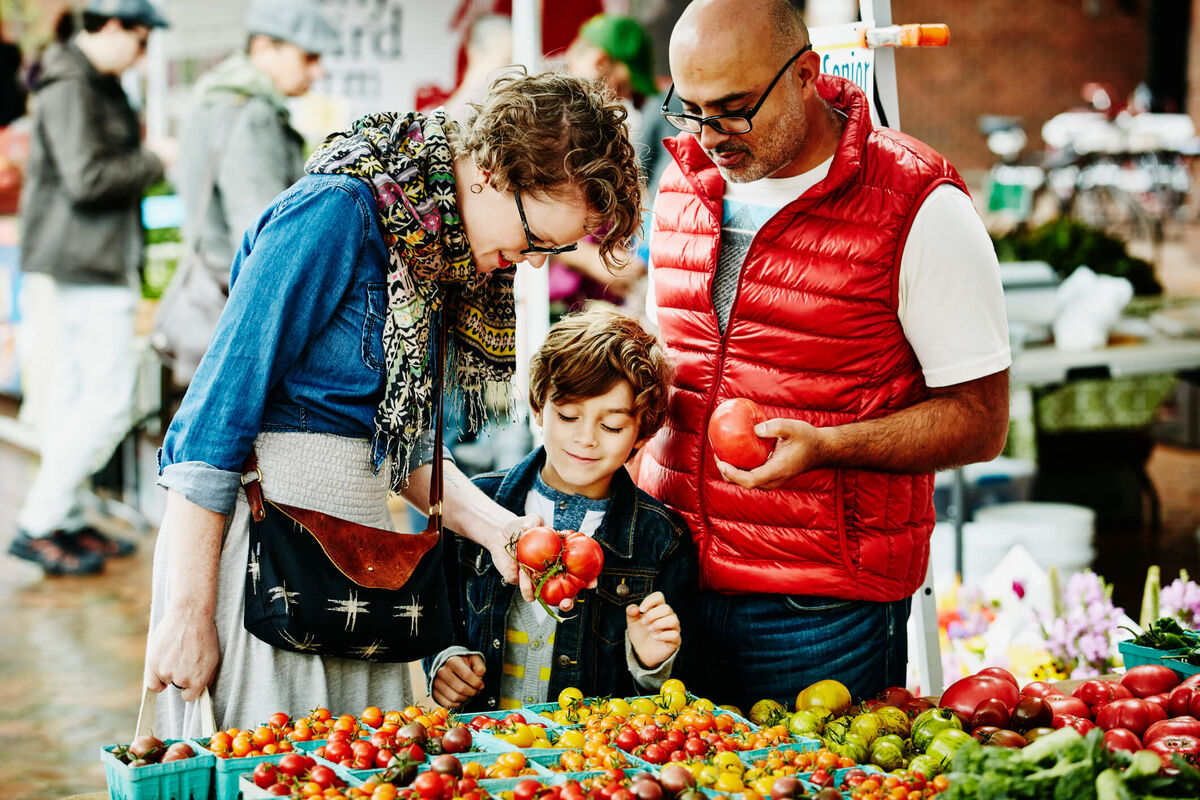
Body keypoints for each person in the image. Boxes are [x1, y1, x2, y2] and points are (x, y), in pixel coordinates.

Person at [142, 71, 644, 736]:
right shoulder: (335, 213)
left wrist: (500, 531)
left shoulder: (425, 253)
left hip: (352, 584)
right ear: (492, 170)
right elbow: (208, 429)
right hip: (263, 574)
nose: (530, 264)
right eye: (535, 242)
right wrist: (187, 614)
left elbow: (395, 451)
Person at [638, 0, 1011, 710]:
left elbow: (979, 422)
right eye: (691, 110)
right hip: (669, 584)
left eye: (734, 109)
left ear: (806, 73)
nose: (710, 135)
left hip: (820, 611)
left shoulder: (916, 202)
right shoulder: (681, 182)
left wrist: (828, 445)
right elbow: (673, 362)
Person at [427, 307, 693, 711]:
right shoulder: (476, 507)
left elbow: (670, 692)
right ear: (538, 407)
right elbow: (435, 611)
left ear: (643, 433)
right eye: (568, 415)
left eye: (612, 426)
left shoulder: (661, 539)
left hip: (591, 760)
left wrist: (650, 663)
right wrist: (442, 663)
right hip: (481, 746)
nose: (585, 438)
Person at [9, 0, 173, 576]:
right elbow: (88, 178)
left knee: (78, 403)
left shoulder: (92, 82)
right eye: (140, 37)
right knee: (105, 403)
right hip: (82, 266)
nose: (143, 51)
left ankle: (65, 518)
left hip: (86, 262)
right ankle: (38, 523)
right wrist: (155, 159)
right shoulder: (70, 84)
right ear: (109, 25)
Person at [161, 0, 337, 385]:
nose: (318, 71)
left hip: (214, 300)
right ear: (263, 47)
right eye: (308, 57)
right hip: (239, 314)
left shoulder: (212, 98)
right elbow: (265, 237)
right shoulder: (253, 113)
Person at [550, 14, 658, 317]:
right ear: (600, 60)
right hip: (557, 304)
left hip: (602, 304)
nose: (624, 100)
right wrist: (588, 259)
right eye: (623, 86)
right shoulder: (551, 119)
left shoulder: (615, 127)